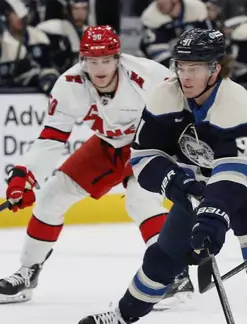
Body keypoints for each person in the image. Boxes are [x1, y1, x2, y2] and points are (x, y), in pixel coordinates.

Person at [73, 28, 247, 324]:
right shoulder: (164, 96)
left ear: (215, 69)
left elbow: (235, 173)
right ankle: (123, 313)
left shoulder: (235, 101)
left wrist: (213, 217)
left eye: (195, 68)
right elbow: (143, 157)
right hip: (204, 177)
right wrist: (176, 184)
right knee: (169, 251)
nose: (185, 76)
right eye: (181, 67)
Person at [0, 25, 193, 308]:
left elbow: (187, 111)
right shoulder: (68, 85)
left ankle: (174, 273)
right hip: (108, 145)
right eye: (92, 60)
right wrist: (24, 176)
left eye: (106, 60)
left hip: (150, 143)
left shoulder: (149, 76)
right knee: (52, 195)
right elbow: (51, 139)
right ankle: (28, 272)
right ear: (82, 60)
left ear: (118, 58)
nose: (99, 68)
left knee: (141, 202)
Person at [140, 0, 209, 67]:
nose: (158, 2)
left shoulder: (196, 8)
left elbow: (208, 41)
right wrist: (180, 68)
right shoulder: (150, 17)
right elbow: (158, 53)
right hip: (154, 66)